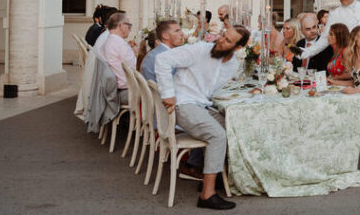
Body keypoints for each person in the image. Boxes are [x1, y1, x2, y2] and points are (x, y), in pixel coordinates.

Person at [156, 25, 250, 210]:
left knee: (233, 127)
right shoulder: (200, 49)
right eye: (223, 35)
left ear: (238, 48)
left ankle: (214, 176)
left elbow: (210, 89)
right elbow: (162, 59)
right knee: (217, 135)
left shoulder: (232, 65)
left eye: (228, 40)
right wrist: (167, 93)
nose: (220, 40)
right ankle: (207, 194)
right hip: (183, 104)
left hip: (200, 104)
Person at [102, 11, 138, 105]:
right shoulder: (120, 44)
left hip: (111, 90)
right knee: (158, 93)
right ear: (121, 26)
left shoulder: (109, 41)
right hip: (124, 92)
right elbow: (137, 69)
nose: (130, 29)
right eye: (129, 26)